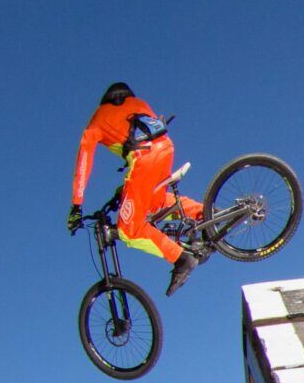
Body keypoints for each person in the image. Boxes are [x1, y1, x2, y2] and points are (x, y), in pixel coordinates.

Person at [68, 83, 207, 295]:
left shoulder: (97, 120)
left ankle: (181, 258)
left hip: (143, 159)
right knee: (155, 204)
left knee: (128, 230)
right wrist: (122, 192)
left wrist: (76, 206)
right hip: (166, 149)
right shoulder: (138, 104)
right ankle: (206, 215)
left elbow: (83, 163)